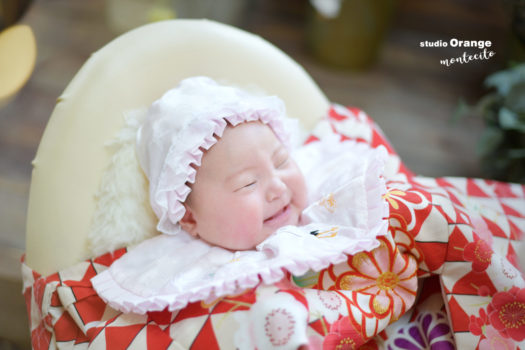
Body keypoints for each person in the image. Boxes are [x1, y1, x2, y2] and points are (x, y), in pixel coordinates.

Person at [91, 76, 389, 314]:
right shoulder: (183, 273)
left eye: (282, 161)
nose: (277, 187)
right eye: (248, 184)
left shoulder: (332, 185)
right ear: (190, 218)